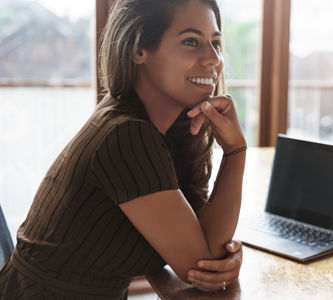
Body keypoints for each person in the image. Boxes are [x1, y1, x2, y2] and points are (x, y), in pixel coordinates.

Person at [0, 0, 245, 298]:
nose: (213, 59)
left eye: (216, 43)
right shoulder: (128, 134)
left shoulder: (144, 124)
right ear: (138, 49)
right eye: (191, 41)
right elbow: (202, 265)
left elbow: (203, 254)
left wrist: (221, 257)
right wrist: (235, 150)